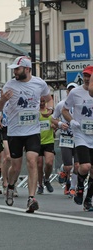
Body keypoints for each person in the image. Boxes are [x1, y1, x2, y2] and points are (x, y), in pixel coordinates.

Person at [0, 56, 53, 213]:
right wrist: (3, 100)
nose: (14, 72)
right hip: (15, 132)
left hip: (33, 131)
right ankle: (10, 185)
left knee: (32, 161)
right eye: (14, 69)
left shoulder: (39, 83)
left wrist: (50, 109)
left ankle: (31, 198)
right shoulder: (10, 85)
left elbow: (49, 99)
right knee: (16, 166)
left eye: (17, 69)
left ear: (27, 69)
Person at [62, 65, 93, 211]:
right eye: (85, 75)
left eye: (90, 76)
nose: (87, 78)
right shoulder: (75, 92)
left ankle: (88, 200)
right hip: (81, 134)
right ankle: (80, 186)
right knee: (85, 166)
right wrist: (72, 120)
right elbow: (64, 110)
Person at [51, 82, 79, 197]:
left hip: (78, 138)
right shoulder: (61, 105)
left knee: (77, 165)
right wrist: (60, 123)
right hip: (65, 138)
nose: (71, 92)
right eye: (69, 90)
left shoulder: (81, 104)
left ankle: (72, 187)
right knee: (68, 166)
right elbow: (53, 119)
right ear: (67, 92)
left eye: (74, 90)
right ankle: (63, 169)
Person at [37, 97, 55, 194]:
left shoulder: (50, 112)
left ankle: (46, 179)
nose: (42, 103)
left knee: (49, 163)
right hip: (37, 141)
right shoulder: (35, 112)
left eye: (43, 101)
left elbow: (56, 122)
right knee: (39, 164)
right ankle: (40, 185)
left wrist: (54, 126)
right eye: (40, 101)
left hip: (49, 140)